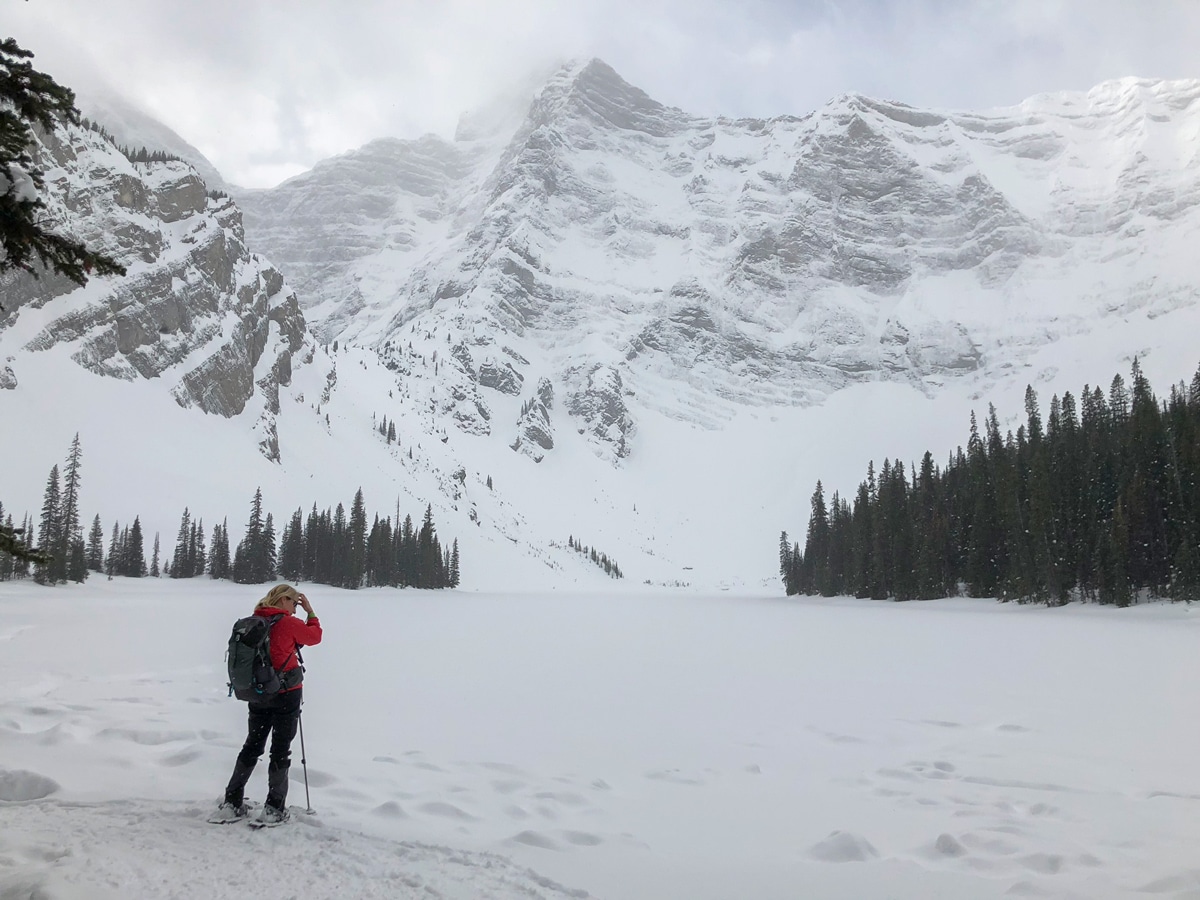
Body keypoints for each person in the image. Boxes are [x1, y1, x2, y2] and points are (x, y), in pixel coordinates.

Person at [211, 583, 323, 826]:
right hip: (286, 694)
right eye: (293, 603)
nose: (294, 609)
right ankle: (274, 808)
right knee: (280, 749)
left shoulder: (254, 622)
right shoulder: (288, 623)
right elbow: (315, 637)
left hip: (258, 694)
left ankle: (232, 802)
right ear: (283, 600)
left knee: (252, 745)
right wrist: (311, 612)